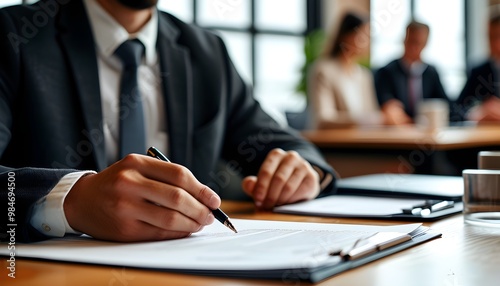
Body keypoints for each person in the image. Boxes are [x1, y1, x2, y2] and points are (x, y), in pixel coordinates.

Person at [0, 0, 335, 242]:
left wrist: (304, 170)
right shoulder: (13, 36)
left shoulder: (206, 51)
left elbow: (280, 141)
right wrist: (71, 200)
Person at [309, 12, 383, 129]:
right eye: (363, 36)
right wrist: (367, 119)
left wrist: (380, 118)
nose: (368, 43)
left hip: (363, 141)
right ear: (346, 36)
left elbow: (372, 114)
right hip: (334, 142)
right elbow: (323, 118)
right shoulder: (324, 71)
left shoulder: (363, 75)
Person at [374, 21, 449, 125]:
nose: (414, 47)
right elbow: (385, 100)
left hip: (426, 130)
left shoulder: (431, 72)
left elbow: (444, 103)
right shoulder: (387, 72)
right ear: (404, 40)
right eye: (412, 41)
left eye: (419, 43)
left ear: (426, 43)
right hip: (397, 130)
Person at [454, 9, 500, 122]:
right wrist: (476, 113)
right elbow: (457, 109)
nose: (496, 44)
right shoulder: (479, 71)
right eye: (491, 37)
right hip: (487, 136)